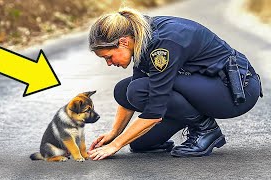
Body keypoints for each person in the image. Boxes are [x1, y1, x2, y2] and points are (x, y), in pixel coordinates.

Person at [87, 7, 263, 160]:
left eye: (108, 57)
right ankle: (188, 118)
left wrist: (115, 145)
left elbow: (155, 108)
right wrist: (115, 133)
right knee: (135, 128)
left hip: (235, 91)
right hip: (204, 84)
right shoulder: (139, 36)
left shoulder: (163, 44)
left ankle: (206, 130)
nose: (109, 63)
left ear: (123, 42)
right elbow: (133, 90)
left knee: (138, 90)